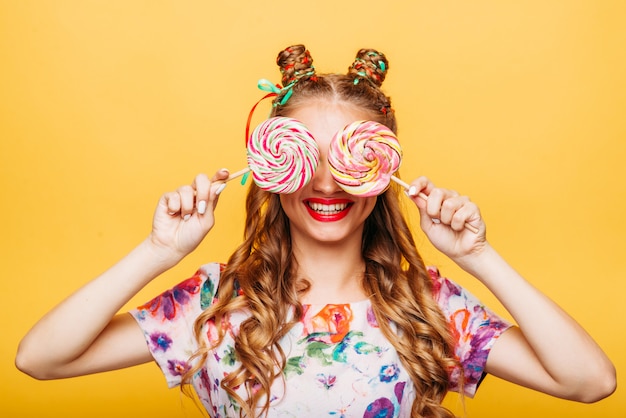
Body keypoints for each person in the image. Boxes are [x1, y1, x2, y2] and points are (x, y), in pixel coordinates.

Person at [16, 44, 616, 418]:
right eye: (307, 158)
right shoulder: (212, 304)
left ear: (383, 172)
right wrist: (158, 252)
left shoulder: (427, 305)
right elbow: (39, 359)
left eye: (350, 161)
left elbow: (590, 382)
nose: (327, 185)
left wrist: (479, 257)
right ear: (272, 168)